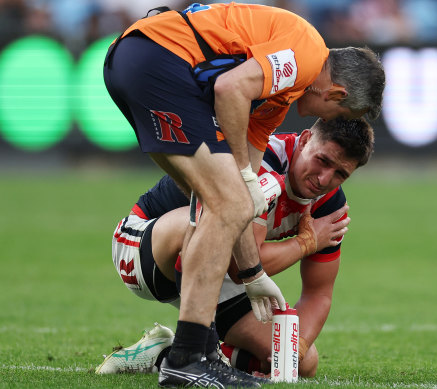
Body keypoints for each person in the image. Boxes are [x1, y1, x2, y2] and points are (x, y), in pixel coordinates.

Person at [102, 2, 384, 386]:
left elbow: (242, 186)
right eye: (336, 115)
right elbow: (229, 87)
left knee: (225, 204)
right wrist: (254, 193)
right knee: (227, 202)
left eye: (339, 174)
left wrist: (253, 274)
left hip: (146, 58)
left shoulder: (275, 100)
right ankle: (188, 360)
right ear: (336, 93)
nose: (325, 178)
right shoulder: (308, 52)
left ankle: (183, 354)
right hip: (157, 58)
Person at [95, 117, 375, 378]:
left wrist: (293, 352)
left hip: (213, 269)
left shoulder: (329, 204)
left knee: (303, 362)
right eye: (322, 160)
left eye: (340, 173)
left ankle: (163, 353)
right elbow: (241, 266)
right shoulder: (262, 160)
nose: (325, 179)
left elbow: (319, 294)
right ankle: (193, 353)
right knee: (206, 223)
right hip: (143, 249)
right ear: (303, 140)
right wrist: (306, 242)